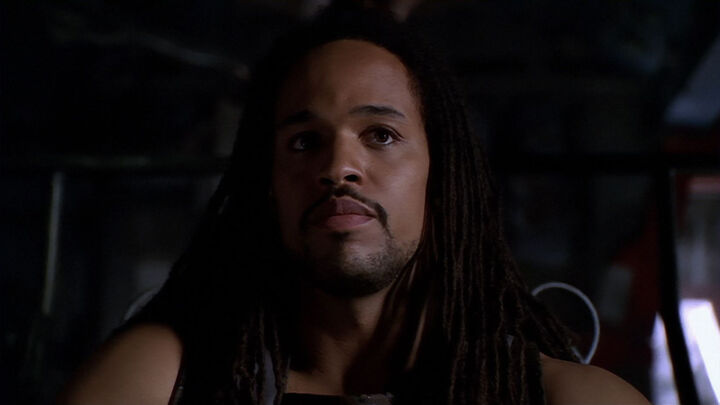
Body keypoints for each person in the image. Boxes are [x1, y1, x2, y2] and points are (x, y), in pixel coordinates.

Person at [59, 5, 652, 405]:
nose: (338, 166)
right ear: (269, 183)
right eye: (304, 141)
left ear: (442, 177)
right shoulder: (164, 377)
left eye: (381, 135)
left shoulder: (564, 396)